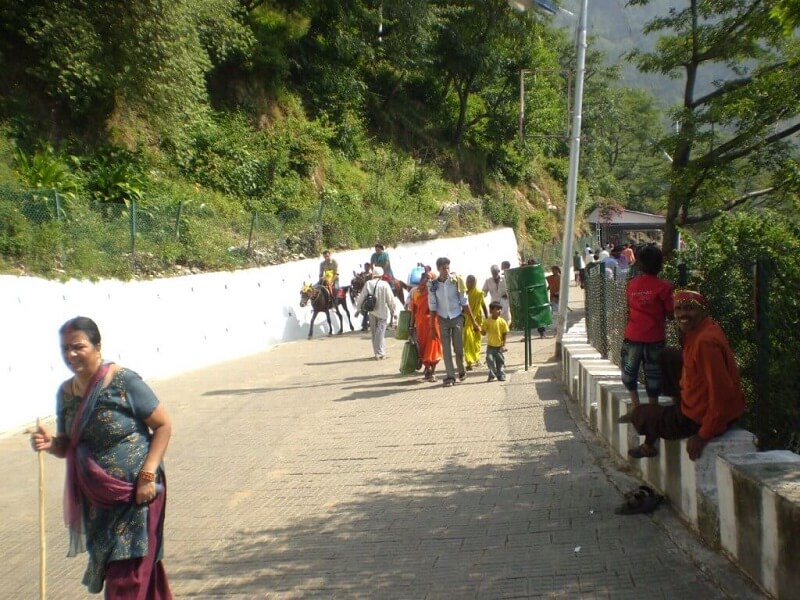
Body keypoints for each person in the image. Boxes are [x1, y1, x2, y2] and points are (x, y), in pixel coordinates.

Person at [30, 316, 173, 598]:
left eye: (78, 346)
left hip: (137, 494)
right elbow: (68, 444)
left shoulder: (124, 382)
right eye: (65, 349)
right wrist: (50, 444)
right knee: (127, 567)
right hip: (97, 502)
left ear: (97, 346)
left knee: (127, 576)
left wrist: (147, 476)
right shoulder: (65, 393)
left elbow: (164, 425)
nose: (70, 355)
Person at [628, 290, 747, 460]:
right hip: (696, 402)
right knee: (667, 355)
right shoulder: (701, 329)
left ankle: (652, 441)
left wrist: (703, 435)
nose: (683, 314)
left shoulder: (705, 342)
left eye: (690, 308)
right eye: (679, 309)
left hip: (700, 419)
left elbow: (721, 392)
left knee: (639, 415)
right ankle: (678, 407)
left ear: (702, 311)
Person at [617, 245, 674, 424]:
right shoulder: (665, 287)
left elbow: (628, 309)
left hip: (633, 337)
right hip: (655, 339)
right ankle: (653, 410)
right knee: (654, 375)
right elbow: (671, 313)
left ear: (640, 265)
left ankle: (635, 407)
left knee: (629, 373)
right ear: (660, 265)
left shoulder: (632, 284)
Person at [428, 257, 481, 388]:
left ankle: (461, 370)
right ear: (438, 269)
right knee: (446, 350)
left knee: (458, 348)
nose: (446, 271)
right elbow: (433, 306)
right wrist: (432, 327)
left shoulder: (457, 281)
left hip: (456, 317)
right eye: (443, 268)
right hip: (443, 318)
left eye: (447, 268)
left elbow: (464, 303)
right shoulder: (433, 285)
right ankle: (450, 376)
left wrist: (474, 323)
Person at [409, 270, 443, 381]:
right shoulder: (415, 292)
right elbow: (413, 311)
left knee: (433, 348)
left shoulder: (436, 291)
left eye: (429, 278)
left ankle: (432, 371)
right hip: (421, 326)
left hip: (434, 324)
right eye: (424, 278)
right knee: (422, 349)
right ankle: (427, 369)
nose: (426, 280)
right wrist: (411, 326)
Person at [355, 266, 395, 360]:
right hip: (382, 312)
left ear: (373, 275)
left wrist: (358, 309)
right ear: (381, 275)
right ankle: (380, 353)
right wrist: (393, 310)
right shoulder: (385, 285)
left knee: (374, 333)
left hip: (372, 311)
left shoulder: (368, 283)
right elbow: (390, 299)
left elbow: (361, 297)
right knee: (380, 333)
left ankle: (377, 353)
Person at [463, 275, 488, 371]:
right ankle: (469, 362)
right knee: (468, 341)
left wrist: (486, 318)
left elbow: (483, 305)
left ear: (475, 282)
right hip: (466, 321)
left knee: (477, 341)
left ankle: (477, 359)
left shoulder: (478, 293)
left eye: (471, 282)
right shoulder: (464, 293)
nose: (469, 284)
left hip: (477, 320)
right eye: (468, 281)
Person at [482, 301, 510, 382]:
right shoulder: (487, 321)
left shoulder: (502, 321)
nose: (499, 311)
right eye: (497, 309)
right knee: (489, 359)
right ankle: (492, 374)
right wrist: (480, 329)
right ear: (491, 311)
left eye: (500, 309)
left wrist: (504, 345)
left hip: (499, 347)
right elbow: (483, 333)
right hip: (490, 346)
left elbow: (504, 334)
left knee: (500, 361)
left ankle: (501, 375)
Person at [539, 266, 561, 338]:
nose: (553, 271)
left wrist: (556, 296)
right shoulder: (551, 278)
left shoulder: (560, 278)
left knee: (556, 316)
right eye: (552, 270)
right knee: (553, 316)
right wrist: (546, 290)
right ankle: (556, 331)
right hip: (552, 299)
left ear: (558, 270)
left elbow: (562, 289)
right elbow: (549, 285)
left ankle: (557, 331)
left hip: (557, 300)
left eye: (554, 270)